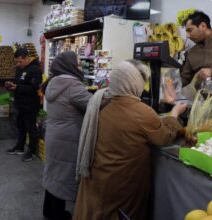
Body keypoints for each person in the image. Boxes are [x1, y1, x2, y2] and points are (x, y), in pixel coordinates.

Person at [73, 60, 187, 220]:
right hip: (123, 182)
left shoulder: (102, 100)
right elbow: (164, 137)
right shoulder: (140, 111)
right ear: (134, 82)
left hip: (98, 175)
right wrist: (174, 114)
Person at [42, 51, 92, 220]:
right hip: (67, 139)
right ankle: (57, 214)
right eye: (77, 64)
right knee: (62, 176)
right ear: (69, 65)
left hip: (54, 134)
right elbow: (92, 105)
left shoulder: (53, 82)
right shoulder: (73, 85)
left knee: (53, 174)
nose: (79, 67)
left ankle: (48, 210)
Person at [5, 48, 42, 162]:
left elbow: (34, 88)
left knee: (31, 128)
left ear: (26, 58)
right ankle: (20, 147)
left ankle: (31, 151)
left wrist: (18, 87)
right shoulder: (19, 69)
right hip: (20, 104)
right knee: (20, 126)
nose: (18, 64)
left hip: (30, 105)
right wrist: (11, 84)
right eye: (17, 62)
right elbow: (18, 83)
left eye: (20, 61)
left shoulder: (35, 70)